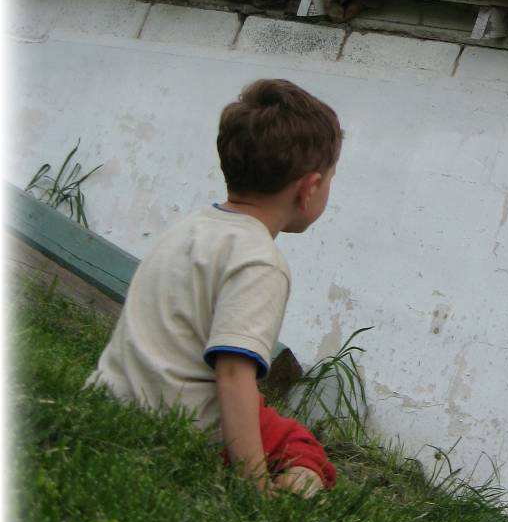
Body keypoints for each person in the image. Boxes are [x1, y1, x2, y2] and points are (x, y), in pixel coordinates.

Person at [85, 78, 342, 498]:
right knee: (302, 445)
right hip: (181, 423)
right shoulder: (261, 261)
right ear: (309, 188)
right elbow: (233, 374)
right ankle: (294, 484)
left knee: (276, 424)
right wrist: (252, 486)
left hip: (118, 395)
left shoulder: (188, 227)